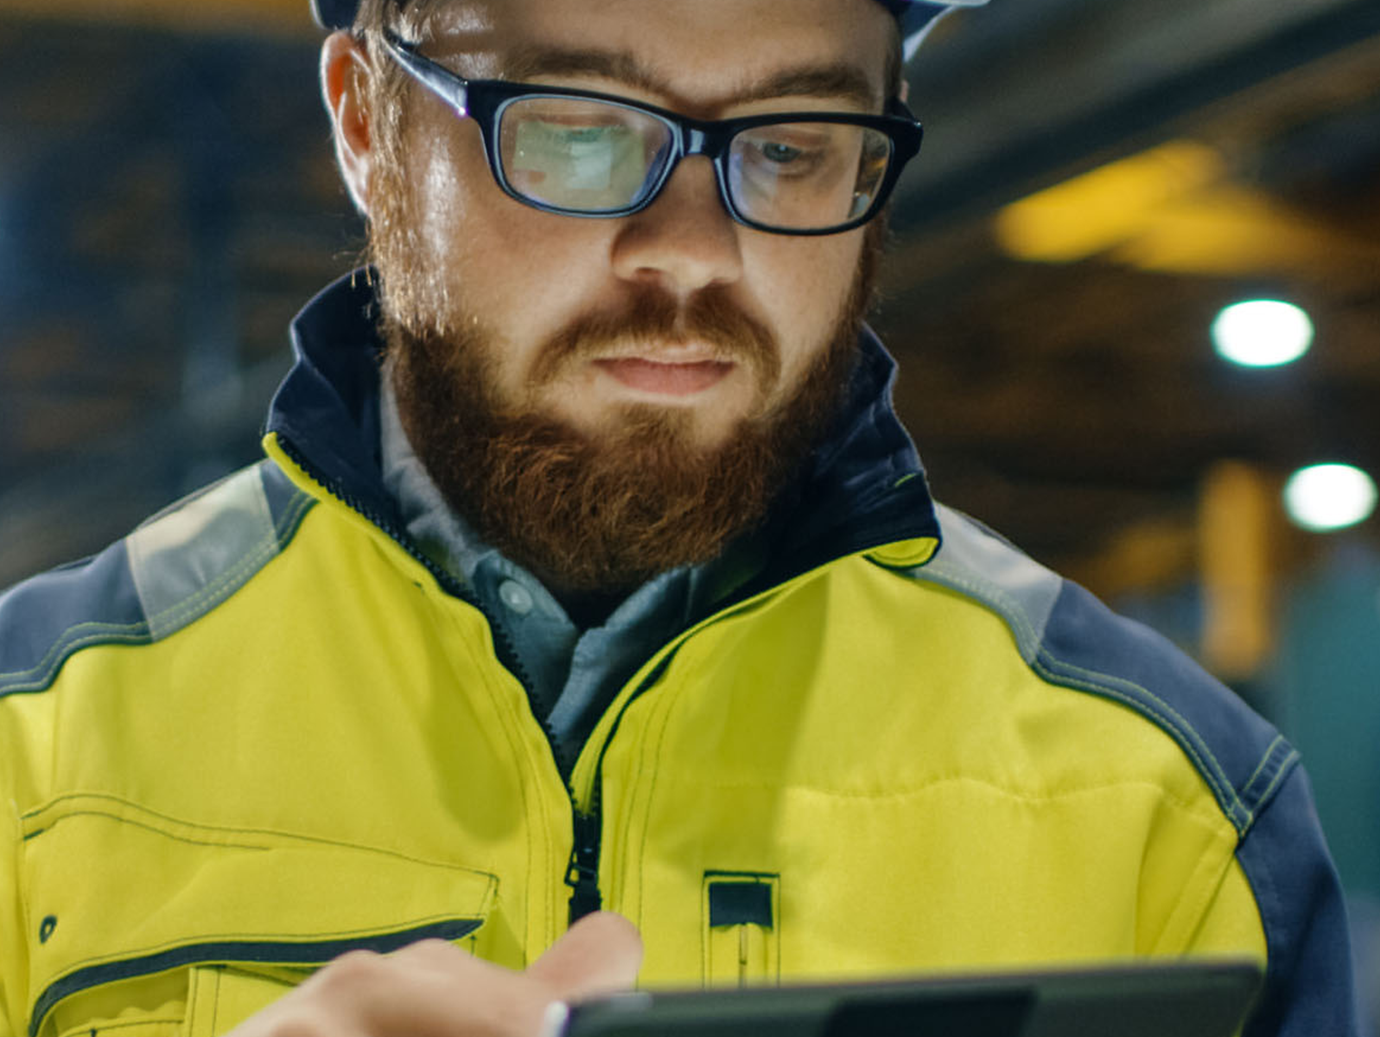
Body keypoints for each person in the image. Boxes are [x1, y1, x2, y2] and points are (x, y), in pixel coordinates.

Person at [0, 0, 1360, 1035]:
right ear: (366, 119)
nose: (697, 250)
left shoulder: (1171, 809)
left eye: (792, 147)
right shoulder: (30, 752)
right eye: (580, 129)